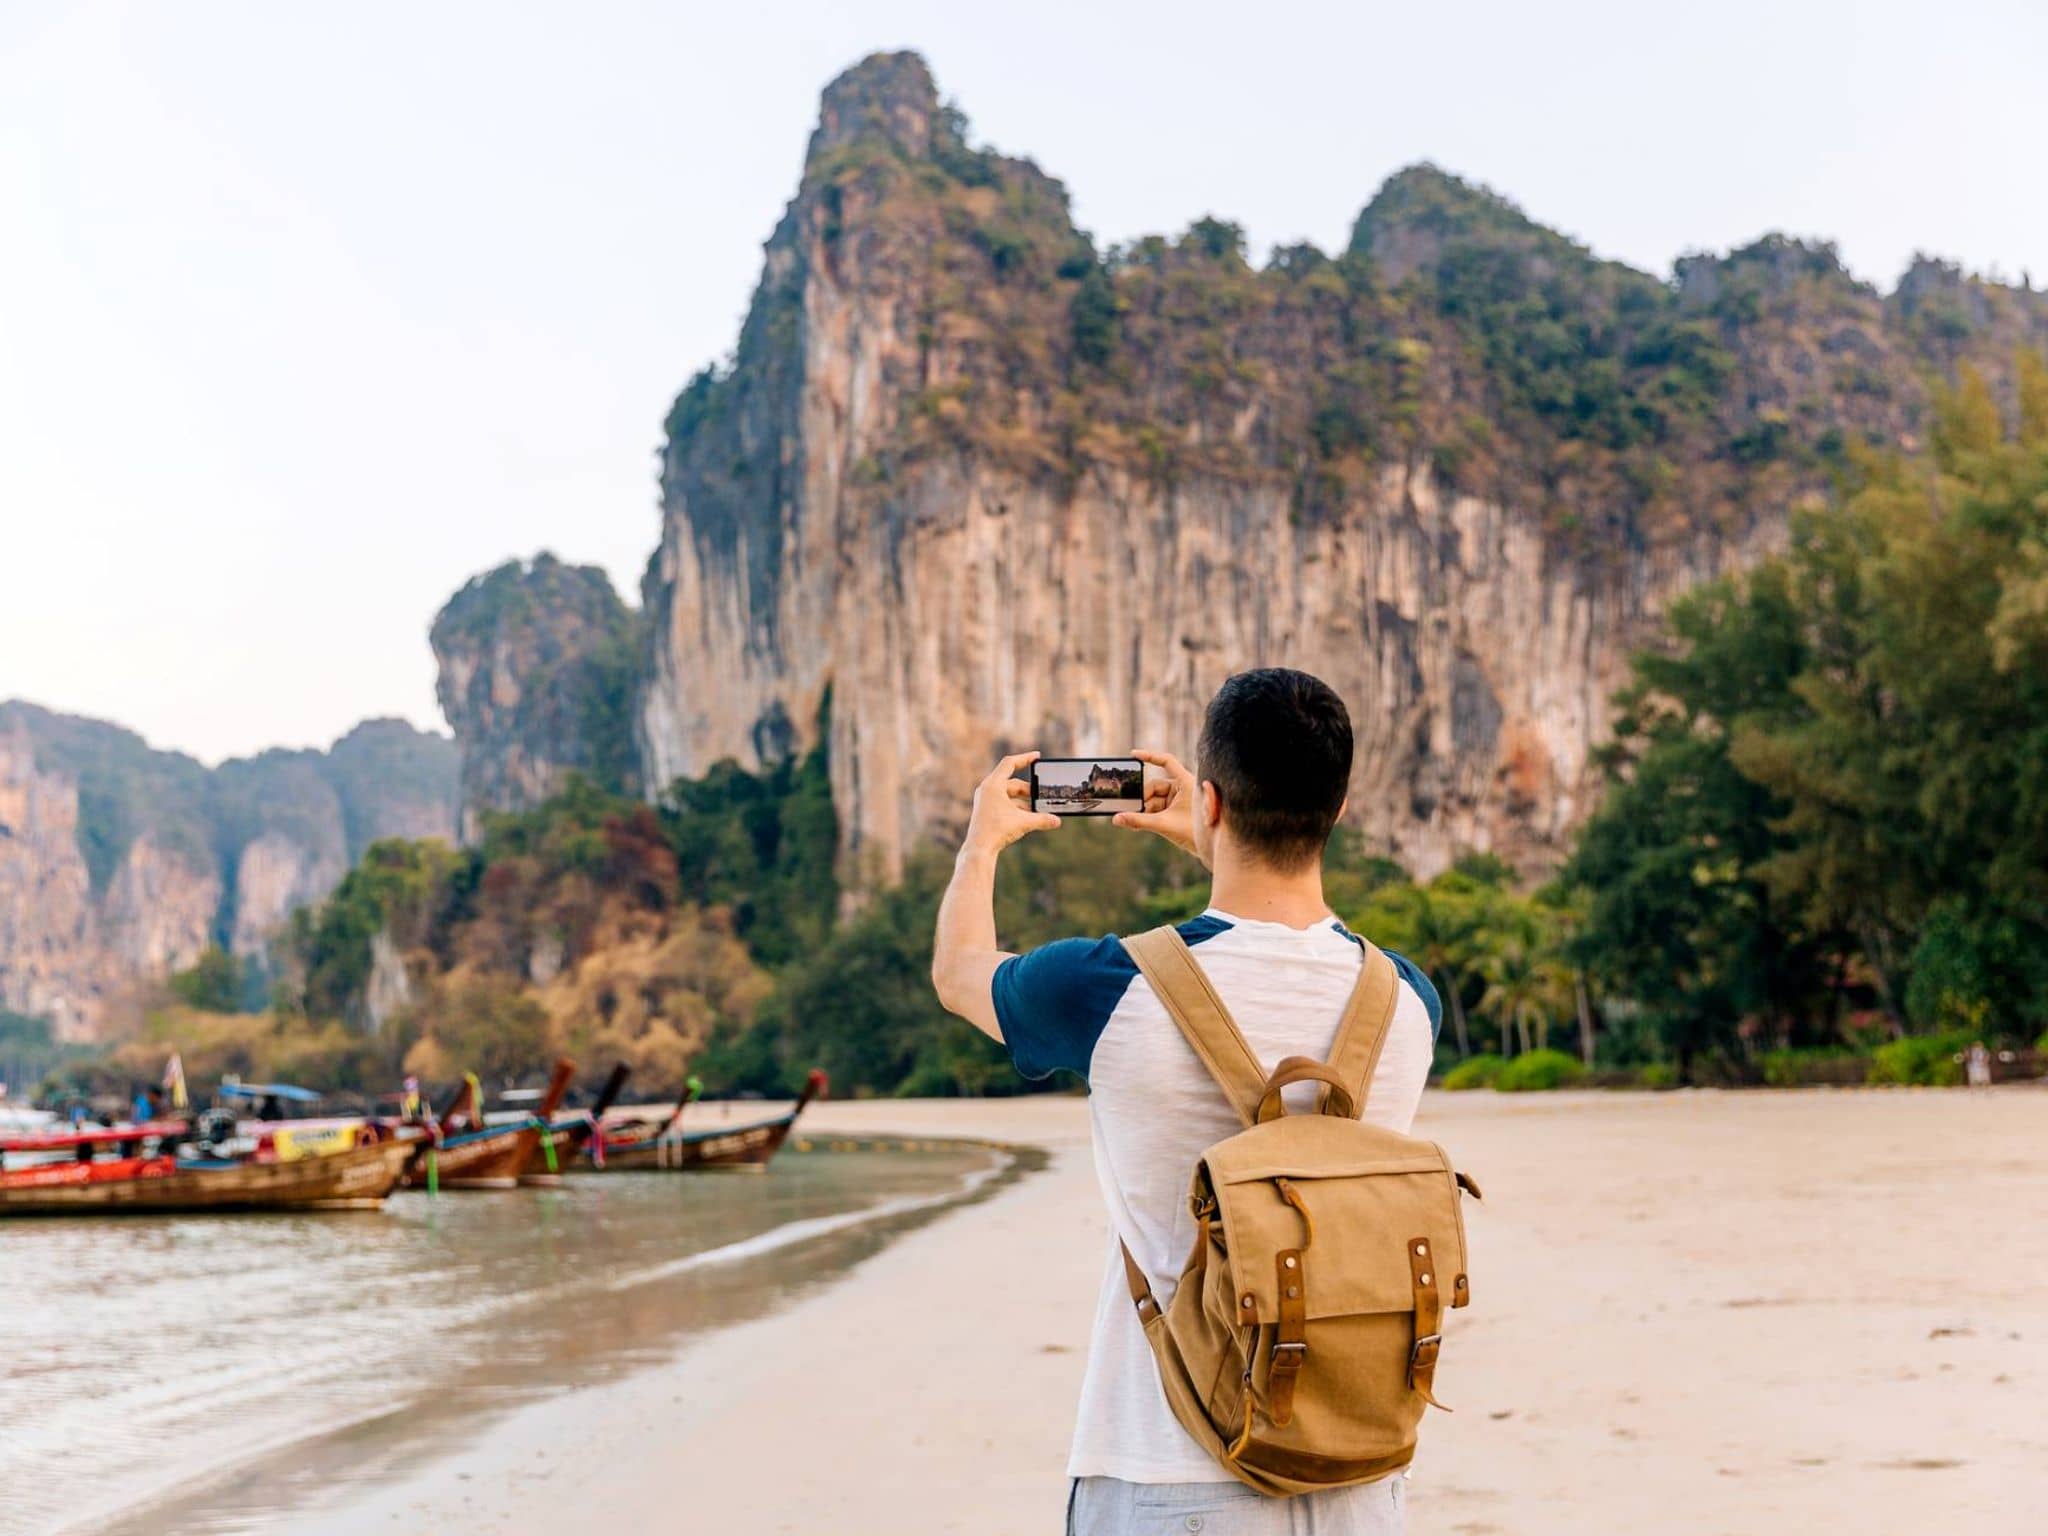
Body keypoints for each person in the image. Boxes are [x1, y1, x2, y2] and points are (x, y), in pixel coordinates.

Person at [932, 668, 1442, 1535]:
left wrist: (979, 844)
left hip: (1169, 1469)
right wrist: (1220, 839)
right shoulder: (1407, 1001)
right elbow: (1290, 947)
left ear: (1210, 801)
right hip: (1357, 1471)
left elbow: (957, 975)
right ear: (1341, 810)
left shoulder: (1108, 986)